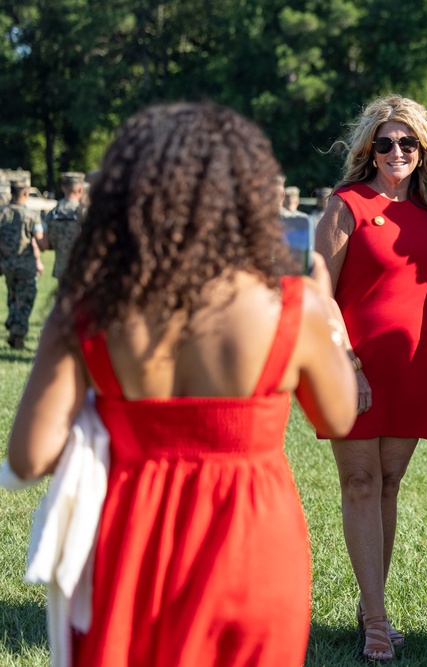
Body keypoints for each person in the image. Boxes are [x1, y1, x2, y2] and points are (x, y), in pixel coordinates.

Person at [4, 102, 358, 666]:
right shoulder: (294, 305)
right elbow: (338, 417)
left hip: (127, 541)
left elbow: (28, 457)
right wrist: (326, 312)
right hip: (253, 540)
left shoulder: (88, 307)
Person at [315, 94, 427, 662]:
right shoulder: (346, 205)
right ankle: (374, 619)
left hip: (413, 367)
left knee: (390, 483)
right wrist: (348, 363)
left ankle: (378, 605)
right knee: (361, 483)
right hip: (355, 365)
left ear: (422, 150)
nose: (396, 152)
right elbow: (317, 291)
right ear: (369, 148)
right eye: (386, 142)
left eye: (408, 143)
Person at [0, 178, 46, 350]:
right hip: (25, 266)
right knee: (26, 299)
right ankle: (18, 336)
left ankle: (12, 323)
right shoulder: (32, 215)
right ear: (26, 193)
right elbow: (41, 243)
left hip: (6, 265)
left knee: (13, 297)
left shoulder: (1, 213)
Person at [42, 171, 87, 282]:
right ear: (81, 190)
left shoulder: (53, 213)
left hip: (61, 268)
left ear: (63, 188)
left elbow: (46, 244)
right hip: (81, 268)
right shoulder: (84, 212)